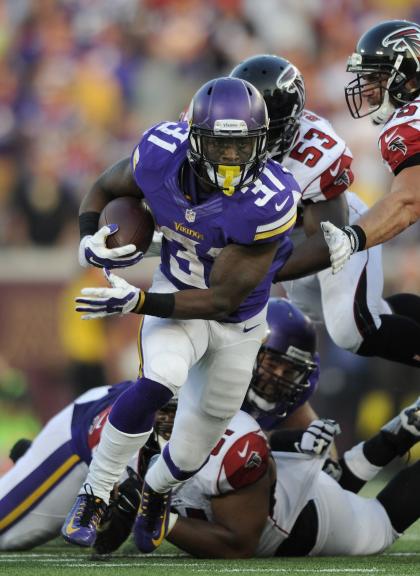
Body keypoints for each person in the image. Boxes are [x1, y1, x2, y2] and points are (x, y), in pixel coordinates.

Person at [61, 76, 300, 552]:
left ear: (262, 143)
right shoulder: (158, 153)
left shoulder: (271, 199)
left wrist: (139, 302)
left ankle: (156, 492)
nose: (231, 158)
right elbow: (104, 187)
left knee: (193, 445)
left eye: (242, 146)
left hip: (238, 324)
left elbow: (222, 301)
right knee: (160, 380)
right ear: (193, 140)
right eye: (219, 145)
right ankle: (96, 493)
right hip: (177, 292)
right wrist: (89, 234)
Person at [0, 298, 317, 551]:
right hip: (99, 438)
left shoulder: (268, 399)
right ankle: (42, 470)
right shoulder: (202, 372)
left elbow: (294, 437)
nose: (277, 378)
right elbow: (141, 416)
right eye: (272, 364)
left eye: (287, 371)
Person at [230, 54, 420, 367]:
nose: (250, 139)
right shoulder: (205, 132)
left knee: (351, 329)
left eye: (262, 128)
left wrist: (254, 271)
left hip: (329, 232)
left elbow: (325, 243)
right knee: (351, 316)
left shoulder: (314, 148)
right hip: (281, 240)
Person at [320, 19, 420, 275]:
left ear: (408, 77)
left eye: (375, 77)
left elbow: (410, 202)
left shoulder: (408, 122)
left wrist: (351, 238)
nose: (366, 90)